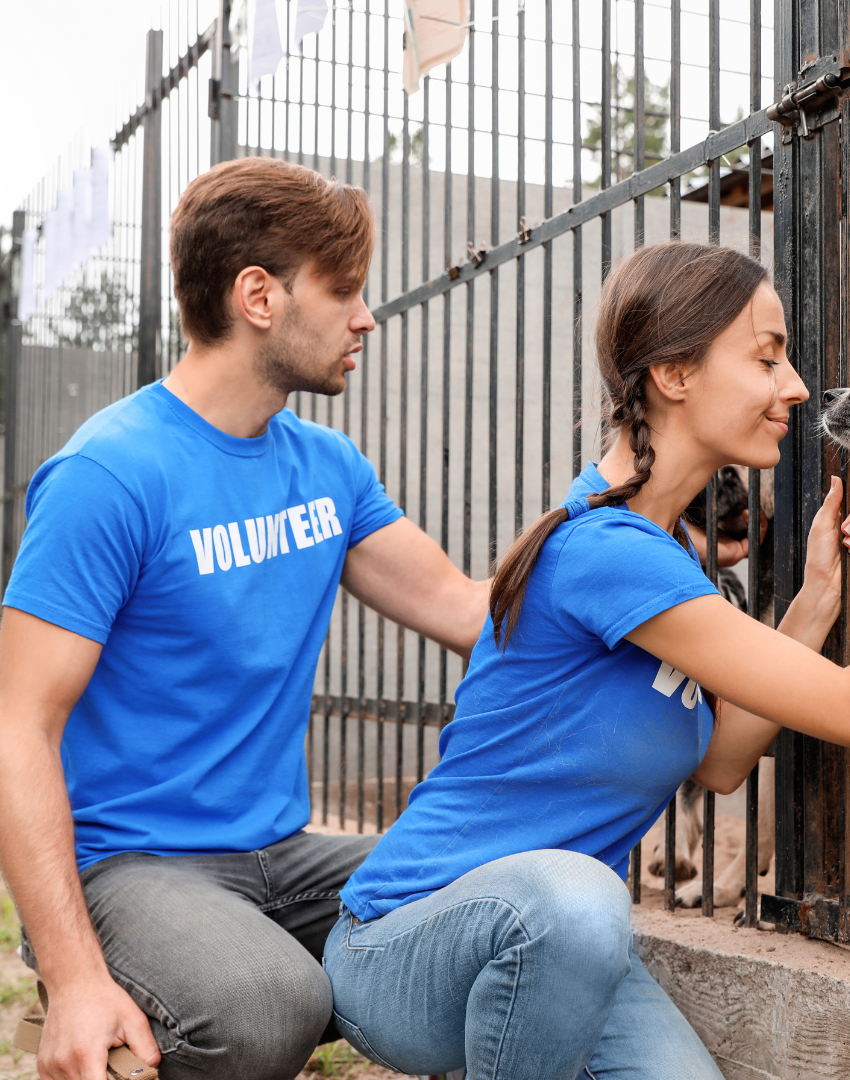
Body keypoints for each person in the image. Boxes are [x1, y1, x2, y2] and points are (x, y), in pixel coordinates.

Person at [324, 241, 850, 1080]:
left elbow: (720, 761)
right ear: (674, 376)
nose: (794, 386)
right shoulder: (607, 552)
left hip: (559, 948)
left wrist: (818, 597)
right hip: (413, 942)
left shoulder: (674, 565)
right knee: (579, 902)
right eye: (767, 358)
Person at [0, 157, 490, 1080]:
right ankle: (138, 1007)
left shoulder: (330, 468)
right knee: (272, 1006)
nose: (365, 317)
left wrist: (636, 527)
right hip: (130, 864)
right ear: (258, 296)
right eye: (343, 291)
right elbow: (16, 726)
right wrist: (71, 975)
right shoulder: (110, 475)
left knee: (497, 898)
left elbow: (468, 610)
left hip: (283, 856)